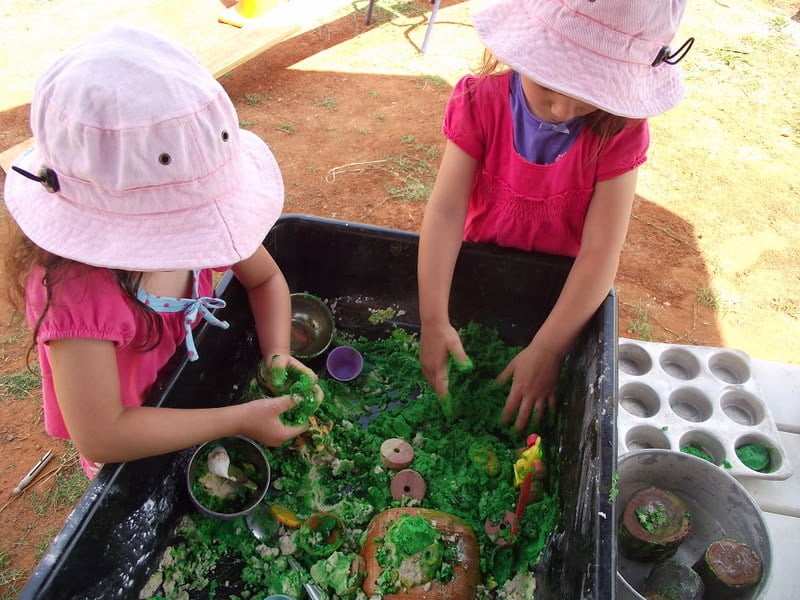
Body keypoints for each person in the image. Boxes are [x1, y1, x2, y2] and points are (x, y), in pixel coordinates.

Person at [2, 26, 316, 478]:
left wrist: (277, 355)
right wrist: (241, 420)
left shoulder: (204, 228)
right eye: (178, 228)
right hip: (130, 440)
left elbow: (265, 279)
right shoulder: (76, 293)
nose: (193, 240)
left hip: (185, 398)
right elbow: (104, 436)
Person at [418, 0, 693, 430]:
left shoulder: (619, 132)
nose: (562, 109)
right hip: (480, 270)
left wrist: (547, 350)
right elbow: (445, 212)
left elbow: (601, 252)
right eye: (548, 84)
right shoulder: (480, 100)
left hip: (561, 294)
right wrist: (434, 318)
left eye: (586, 95)